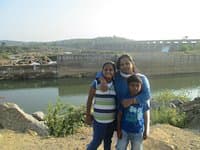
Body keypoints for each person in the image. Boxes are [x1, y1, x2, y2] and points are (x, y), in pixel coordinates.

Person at [85, 61, 117, 150]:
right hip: (99, 121)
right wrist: (88, 114)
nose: (108, 71)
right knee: (97, 141)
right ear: (102, 71)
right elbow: (89, 99)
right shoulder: (96, 83)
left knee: (108, 141)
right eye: (105, 69)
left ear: (114, 71)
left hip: (111, 121)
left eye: (111, 70)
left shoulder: (116, 84)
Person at [116, 74, 150, 150]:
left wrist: (146, 130)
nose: (135, 88)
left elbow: (145, 116)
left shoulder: (142, 100)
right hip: (124, 130)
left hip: (138, 132)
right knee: (120, 148)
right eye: (132, 85)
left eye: (137, 85)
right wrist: (118, 129)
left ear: (141, 86)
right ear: (128, 86)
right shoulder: (124, 99)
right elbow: (119, 115)